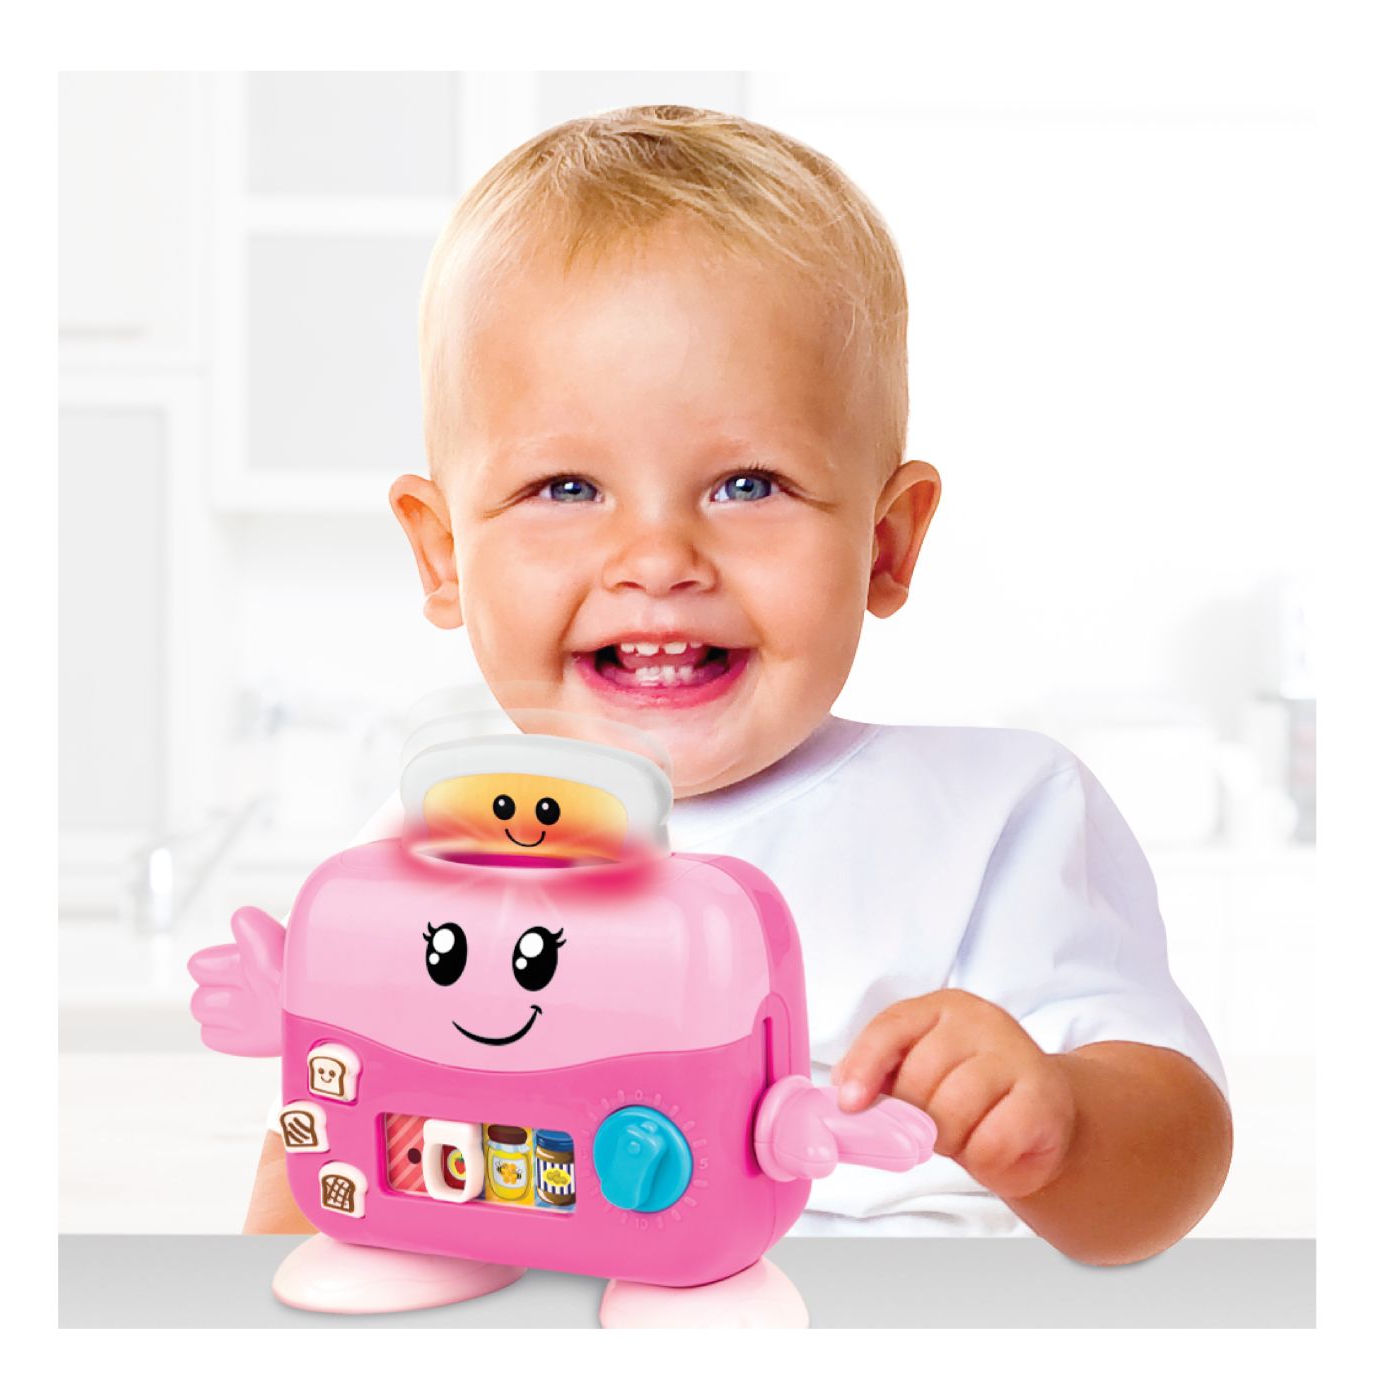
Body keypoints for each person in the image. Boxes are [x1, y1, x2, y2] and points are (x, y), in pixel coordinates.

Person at [243, 105, 1231, 1267]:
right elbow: (320, 1159)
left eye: (747, 484)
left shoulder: (993, 815)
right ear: (442, 554)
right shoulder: (431, 845)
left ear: (884, 542)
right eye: (566, 488)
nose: (658, 558)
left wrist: (1060, 1122)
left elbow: (1168, 1170)